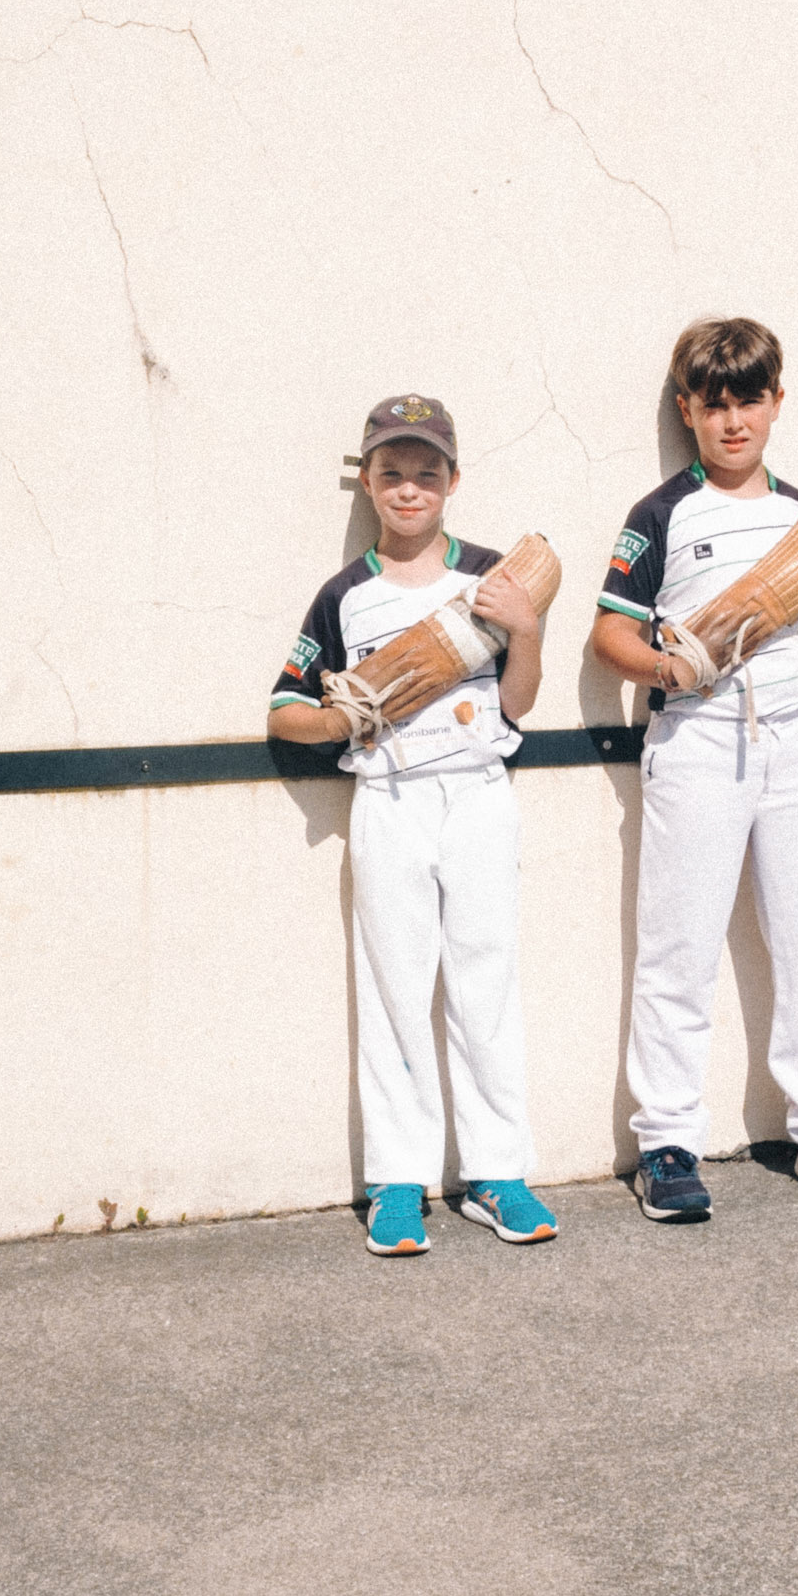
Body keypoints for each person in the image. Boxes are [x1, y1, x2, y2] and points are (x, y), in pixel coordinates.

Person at [590, 319, 798, 1221]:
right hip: (700, 740)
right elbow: (608, 633)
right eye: (713, 406)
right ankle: (666, 1143)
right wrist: (666, 669)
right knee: (676, 950)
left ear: (775, 403)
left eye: (748, 402)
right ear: (687, 411)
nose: (732, 422)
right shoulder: (660, 514)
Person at [268, 394, 558, 1255]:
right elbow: (284, 710)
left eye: (425, 473)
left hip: (476, 794)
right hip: (389, 802)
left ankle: (497, 1173)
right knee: (394, 988)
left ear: (452, 481)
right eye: (390, 472)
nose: (407, 488)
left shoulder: (494, 576)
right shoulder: (345, 595)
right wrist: (342, 717)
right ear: (366, 481)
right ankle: (397, 1180)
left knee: (484, 982)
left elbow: (517, 702)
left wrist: (527, 631)